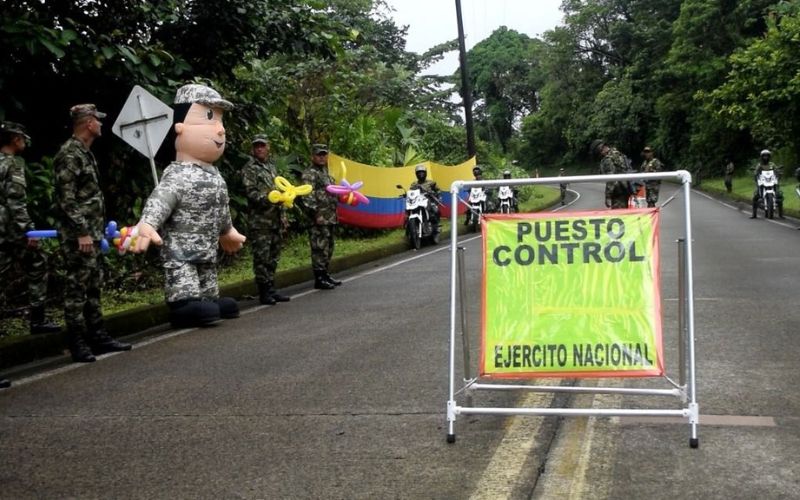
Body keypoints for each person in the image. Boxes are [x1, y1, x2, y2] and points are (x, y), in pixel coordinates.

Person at [133, 84, 246, 328]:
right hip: (180, 250)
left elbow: (221, 206)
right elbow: (161, 199)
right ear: (180, 128)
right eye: (209, 117)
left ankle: (208, 300)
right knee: (185, 289)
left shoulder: (215, 175)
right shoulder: (178, 174)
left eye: (219, 120)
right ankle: (182, 305)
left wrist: (227, 231)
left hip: (206, 248)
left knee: (210, 293)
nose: (220, 130)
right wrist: (148, 223)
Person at [54, 105, 132, 362]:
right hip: (78, 236)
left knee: (93, 286)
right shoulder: (69, 154)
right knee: (77, 288)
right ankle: (78, 342)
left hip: (92, 232)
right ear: (88, 123)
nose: (100, 125)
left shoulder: (85, 153)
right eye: (98, 121)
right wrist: (82, 232)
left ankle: (98, 337)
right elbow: (67, 199)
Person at [0, 121, 61, 336]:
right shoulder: (12, 164)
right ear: (15, 140)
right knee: (37, 262)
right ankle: (37, 320)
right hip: (10, 230)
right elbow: (16, 201)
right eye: (23, 138)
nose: (25, 142)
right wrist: (29, 231)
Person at [241, 134, 289, 305]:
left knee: (273, 256)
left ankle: (271, 288)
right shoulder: (250, 168)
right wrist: (268, 197)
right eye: (256, 146)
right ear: (253, 149)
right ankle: (264, 291)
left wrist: (283, 216)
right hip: (260, 222)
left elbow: (281, 192)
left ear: (268, 147)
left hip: (274, 220)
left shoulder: (271, 167)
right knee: (262, 257)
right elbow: (251, 193)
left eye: (262, 145)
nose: (259, 148)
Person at [301, 144, 340, 290]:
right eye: (319, 155)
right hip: (318, 218)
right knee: (319, 248)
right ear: (313, 156)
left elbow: (333, 192)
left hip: (330, 216)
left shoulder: (326, 173)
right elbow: (307, 195)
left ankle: (325, 273)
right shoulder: (310, 173)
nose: (322, 157)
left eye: (324, 154)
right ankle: (319, 277)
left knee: (328, 247)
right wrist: (315, 213)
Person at [591, 139, 630, 209]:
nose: (600, 154)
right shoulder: (618, 154)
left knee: (619, 214)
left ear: (601, 149)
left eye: (599, 152)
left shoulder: (608, 159)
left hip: (618, 191)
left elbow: (611, 179)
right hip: (625, 187)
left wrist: (608, 196)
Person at [750, 149, 783, 219]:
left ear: (769, 157)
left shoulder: (772, 164)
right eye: (764, 156)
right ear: (761, 157)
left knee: (779, 196)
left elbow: (776, 170)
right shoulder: (759, 165)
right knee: (755, 196)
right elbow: (756, 172)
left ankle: (781, 214)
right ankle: (754, 214)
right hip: (762, 181)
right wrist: (755, 173)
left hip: (771, 181)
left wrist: (779, 172)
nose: (765, 157)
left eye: (767, 156)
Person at [409, 164, 441, 232]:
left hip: (429, 200)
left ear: (425, 173)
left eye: (422, 172)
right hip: (417, 202)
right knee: (408, 213)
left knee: (435, 211)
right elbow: (411, 192)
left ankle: (436, 226)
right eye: (419, 172)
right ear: (416, 174)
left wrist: (437, 195)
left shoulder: (431, 182)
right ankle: (410, 229)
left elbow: (438, 190)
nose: (421, 174)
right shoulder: (414, 184)